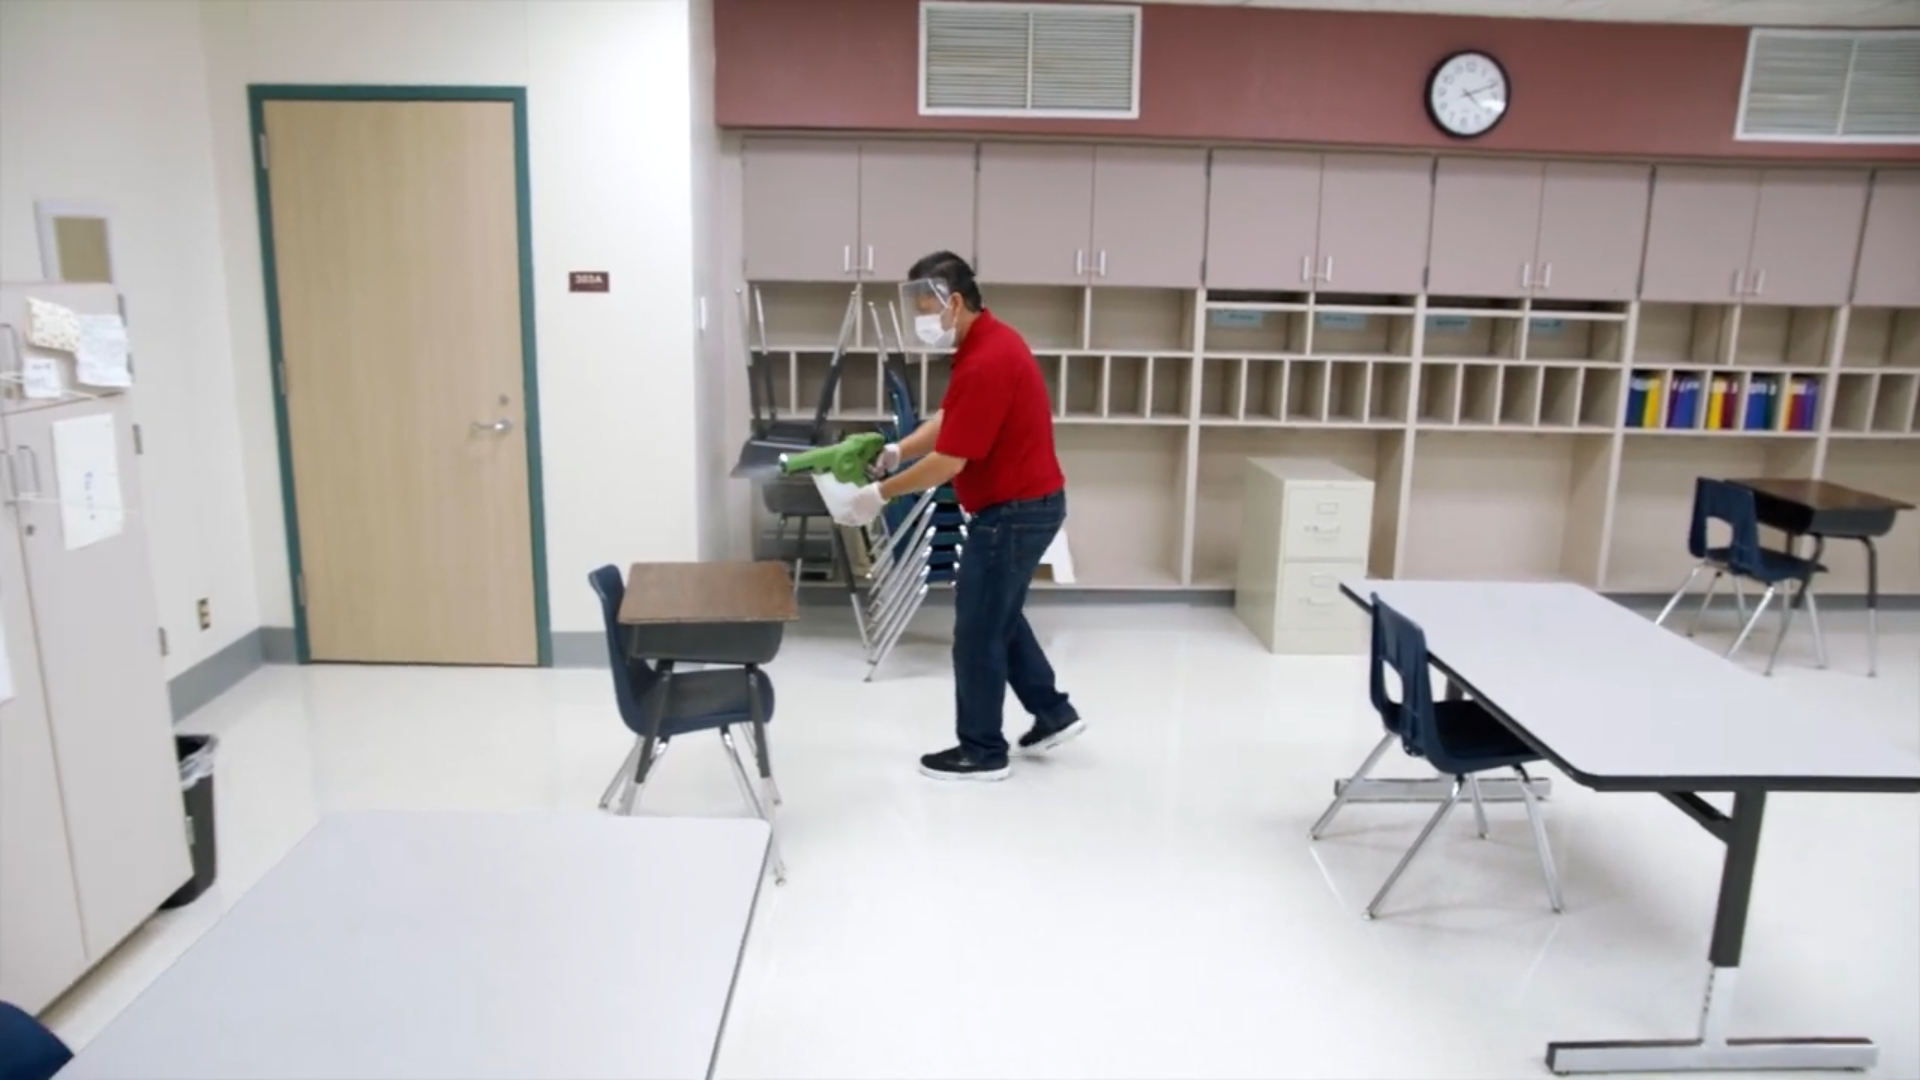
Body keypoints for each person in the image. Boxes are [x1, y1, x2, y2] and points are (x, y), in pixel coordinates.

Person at [842, 251, 1083, 781]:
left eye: (925, 308)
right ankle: (1053, 713)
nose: (920, 320)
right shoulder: (989, 341)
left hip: (1014, 513)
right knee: (998, 615)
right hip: (1026, 505)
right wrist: (896, 450)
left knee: (977, 630)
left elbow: (951, 461)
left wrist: (879, 493)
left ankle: (981, 750)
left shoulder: (986, 360)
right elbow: (951, 420)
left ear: (954, 302)